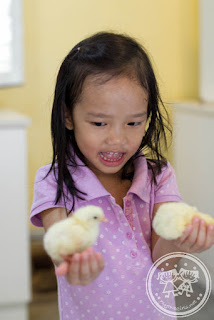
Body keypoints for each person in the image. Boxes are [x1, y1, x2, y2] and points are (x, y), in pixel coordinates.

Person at [30, 32, 214, 320]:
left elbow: (163, 263)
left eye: (133, 122)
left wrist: (181, 241)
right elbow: (58, 243)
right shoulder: (53, 180)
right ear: (68, 116)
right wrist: (73, 261)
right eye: (100, 122)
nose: (117, 139)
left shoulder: (159, 176)